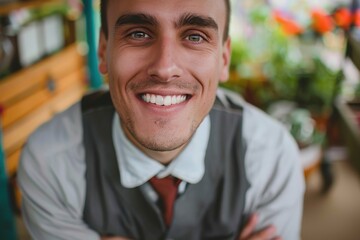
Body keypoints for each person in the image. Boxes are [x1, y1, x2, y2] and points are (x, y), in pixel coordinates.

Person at [18, 0, 305, 239]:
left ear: (224, 59)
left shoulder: (271, 159)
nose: (165, 68)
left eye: (195, 36)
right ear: (104, 50)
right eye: (138, 33)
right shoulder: (50, 164)